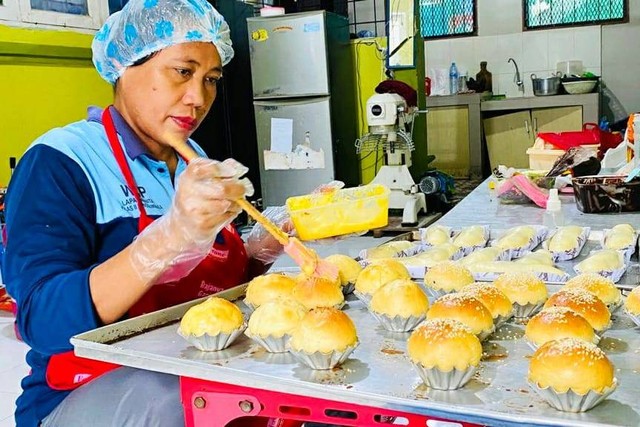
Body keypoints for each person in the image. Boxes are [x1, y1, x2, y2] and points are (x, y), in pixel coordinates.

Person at [1, 1, 289, 425]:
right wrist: (168, 238)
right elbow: (42, 321)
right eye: (182, 71)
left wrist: (257, 253)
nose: (198, 98)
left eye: (210, 79)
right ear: (125, 68)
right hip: (85, 391)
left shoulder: (194, 161)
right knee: (181, 397)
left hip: (192, 368)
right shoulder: (61, 161)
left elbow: (201, 290)